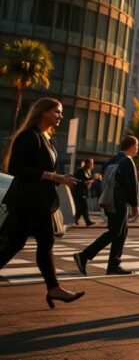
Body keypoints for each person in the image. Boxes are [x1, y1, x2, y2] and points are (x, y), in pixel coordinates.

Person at [0, 98, 84, 308]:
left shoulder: (48, 139)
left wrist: (61, 177)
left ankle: (54, 288)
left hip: (39, 202)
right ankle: (54, 288)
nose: (60, 116)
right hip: (27, 201)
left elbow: (45, 170)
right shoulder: (29, 137)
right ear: (43, 112)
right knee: (20, 243)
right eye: (56, 112)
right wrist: (51, 176)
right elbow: (15, 168)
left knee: (32, 243)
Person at [74, 136, 139, 276]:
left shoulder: (112, 160)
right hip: (119, 201)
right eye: (137, 146)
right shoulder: (128, 161)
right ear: (132, 146)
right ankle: (84, 255)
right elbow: (131, 185)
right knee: (115, 232)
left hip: (109, 200)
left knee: (121, 232)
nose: (137, 149)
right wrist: (135, 205)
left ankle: (113, 265)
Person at [72, 159, 95, 226]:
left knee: (81, 208)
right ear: (86, 163)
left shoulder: (89, 171)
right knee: (84, 207)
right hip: (79, 192)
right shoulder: (80, 170)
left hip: (85, 192)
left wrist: (90, 182)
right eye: (91, 163)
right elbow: (76, 181)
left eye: (92, 163)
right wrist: (86, 182)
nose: (92, 165)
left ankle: (76, 220)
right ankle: (87, 221)